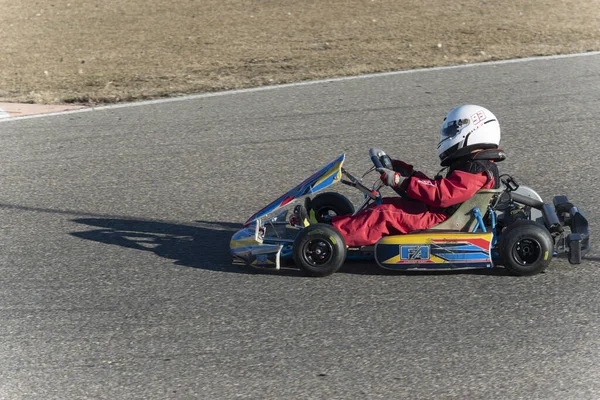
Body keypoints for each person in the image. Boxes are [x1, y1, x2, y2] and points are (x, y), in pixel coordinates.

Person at [297, 104, 506, 247]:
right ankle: (333, 223)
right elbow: (438, 188)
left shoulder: (476, 169)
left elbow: (442, 194)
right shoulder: (473, 164)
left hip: (444, 219)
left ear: (474, 132)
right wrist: (405, 172)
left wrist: (401, 181)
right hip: (442, 212)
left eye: (452, 131)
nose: (448, 137)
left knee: (383, 214)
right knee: (381, 204)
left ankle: (326, 235)